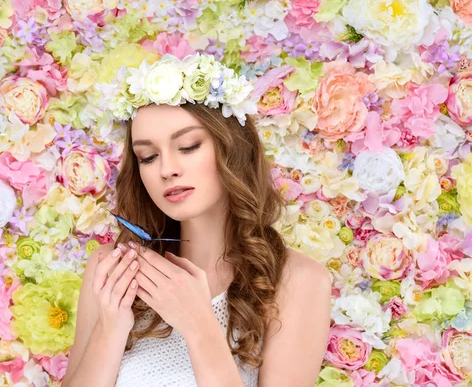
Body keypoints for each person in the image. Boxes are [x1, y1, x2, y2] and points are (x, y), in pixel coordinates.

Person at [62, 53, 332, 387]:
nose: (167, 169)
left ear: (232, 148)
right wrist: (110, 329)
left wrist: (199, 326)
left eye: (188, 146)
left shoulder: (298, 281)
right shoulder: (110, 270)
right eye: (148, 156)